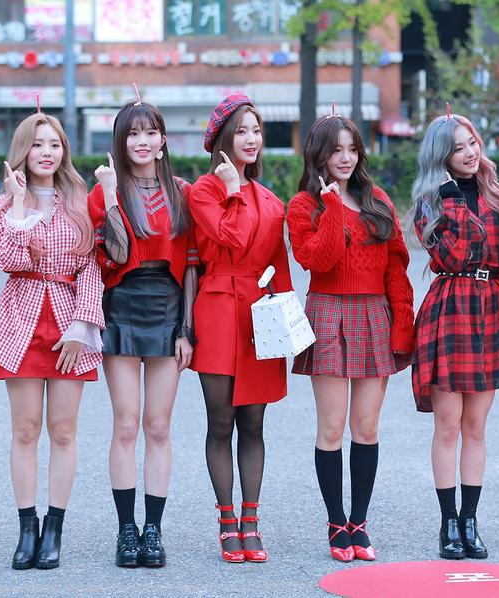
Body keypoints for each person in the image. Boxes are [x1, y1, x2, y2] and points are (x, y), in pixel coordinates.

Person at [287, 113, 415, 562]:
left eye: (352, 149)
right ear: (319, 155)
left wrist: (402, 322)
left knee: (366, 427)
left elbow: (397, 265)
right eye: (336, 150)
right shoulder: (303, 205)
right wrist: (332, 208)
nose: (345, 158)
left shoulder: (377, 199)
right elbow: (317, 261)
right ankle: (335, 522)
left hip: (374, 313)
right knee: (331, 427)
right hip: (327, 312)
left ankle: (359, 523)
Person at [0, 111, 104, 569]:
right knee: (25, 429)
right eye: (37, 144)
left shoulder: (80, 201)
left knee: (64, 430)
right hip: (20, 321)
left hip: (70, 322)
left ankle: (55, 528)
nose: (46, 152)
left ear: (64, 150)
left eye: (54, 144)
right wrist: (17, 204)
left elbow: (92, 266)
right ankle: (27, 528)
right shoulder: (1, 206)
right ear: (23, 150)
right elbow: (7, 260)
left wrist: (82, 327)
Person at [87, 98, 198, 568]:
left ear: (163, 139)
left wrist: (187, 329)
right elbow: (114, 254)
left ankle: (153, 529)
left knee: (158, 425)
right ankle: (126, 530)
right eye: (132, 133)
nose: (142, 141)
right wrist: (112, 194)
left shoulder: (182, 192)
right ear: (120, 141)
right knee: (127, 424)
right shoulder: (105, 190)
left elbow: (191, 264)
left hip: (168, 305)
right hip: (121, 304)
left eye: (150, 132)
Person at [409, 111, 499, 560]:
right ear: (441, 156)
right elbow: (455, 255)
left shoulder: (496, 195)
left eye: (472, 142)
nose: (470, 152)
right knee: (449, 424)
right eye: (458, 147)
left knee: (476, 425)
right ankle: (448, 522)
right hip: (450, 311)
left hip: (489, 309)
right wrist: (452, 198)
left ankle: (471, 521)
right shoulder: (429, 203)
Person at [190, 95, 292, 563]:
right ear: (224, 139)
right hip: (216, 308)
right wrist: (232, 188)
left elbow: (278, 266)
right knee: (220, 421)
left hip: (259, 311)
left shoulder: (271, 199)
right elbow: (231, 236)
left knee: (254, 422)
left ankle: (251, 521)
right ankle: (226, 520)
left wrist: (288, 326)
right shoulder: (203, 191)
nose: (251, 139)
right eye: (242, 131)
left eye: (256, 130)